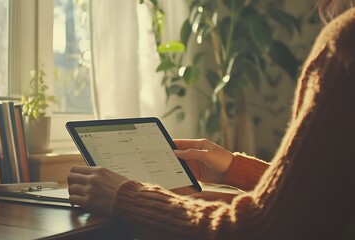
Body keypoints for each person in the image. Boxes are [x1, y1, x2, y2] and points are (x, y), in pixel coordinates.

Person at [67, 1, 355, 239]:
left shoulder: (345, 41)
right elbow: (325, 198)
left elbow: (260, 229)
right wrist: (234, 169)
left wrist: (126, 196)